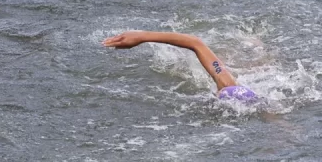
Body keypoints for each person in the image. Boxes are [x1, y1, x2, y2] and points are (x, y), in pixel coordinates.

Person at [103, 31, 258, 102]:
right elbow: (194, 42)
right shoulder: (227, 83)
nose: (218, 91)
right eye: (221, 91)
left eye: (220, 92)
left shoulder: (226, 86)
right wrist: (141, 36)